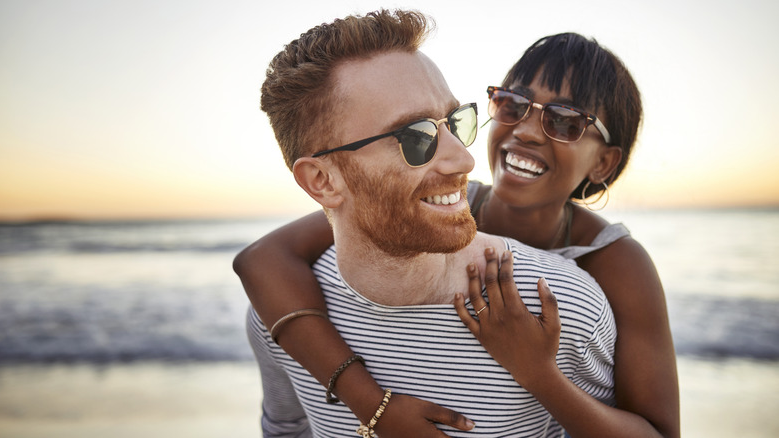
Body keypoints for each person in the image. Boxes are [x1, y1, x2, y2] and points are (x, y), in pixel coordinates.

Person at [237, 20, 680, 437]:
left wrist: (535, 372)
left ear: (603, 163)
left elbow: (657, 427)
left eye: (564, 122)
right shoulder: (442, 205)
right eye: (514, 105)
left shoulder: (611, 268)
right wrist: (371, 403)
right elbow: (263, 260)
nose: (525, 131)